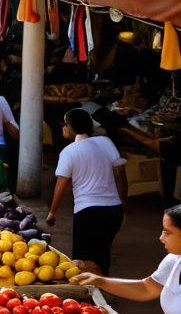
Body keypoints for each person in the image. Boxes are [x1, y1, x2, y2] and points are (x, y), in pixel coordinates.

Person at [46, 108, 128, 274]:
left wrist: (52, 212)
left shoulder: (69, 152)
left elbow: (62, 183)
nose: (63, 128)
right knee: (102, 254)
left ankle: (91, 295)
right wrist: (122, 203)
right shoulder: (106, 142)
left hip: (88, 212)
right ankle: (103, 287)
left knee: (82, 261)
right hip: (113, 210)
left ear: (70, 128)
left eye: (65, 125)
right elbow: (120, 173)